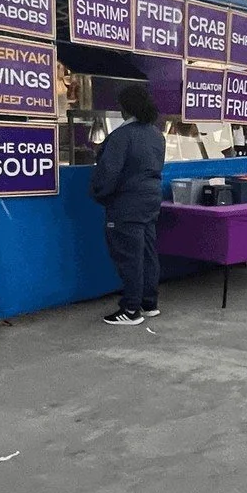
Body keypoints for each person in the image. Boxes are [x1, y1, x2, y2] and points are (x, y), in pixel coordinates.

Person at [92, 83, 167, 326]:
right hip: (150, 200)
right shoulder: (156, 134)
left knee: (129, 257)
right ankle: (149, 303)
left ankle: (131, 309)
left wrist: (100, 195)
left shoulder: (122, 136)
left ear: (125, 108)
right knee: (147, 253)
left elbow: (108, 173)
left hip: (126, 203)